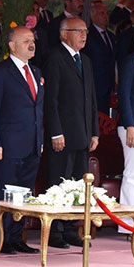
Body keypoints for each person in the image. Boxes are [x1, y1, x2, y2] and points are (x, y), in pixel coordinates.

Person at [0, 27, 43, 255]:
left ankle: (17, 237)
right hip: (8, 145)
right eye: (25, 40)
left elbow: (38, 110)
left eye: (32, 40)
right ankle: (2, 239)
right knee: (6, 193)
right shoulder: (1, 72)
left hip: (32, 144)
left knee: (25, 194)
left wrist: (40, 139)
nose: (31, 44)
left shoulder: (36, 71)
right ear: (12, 46)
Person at [43, 17, 99, 248]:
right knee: (58, 181)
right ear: (64, 34)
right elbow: (51, 100)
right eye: (78, 31)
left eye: (85, 31)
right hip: (63, 136)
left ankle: (70, 228)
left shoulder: (85, 60)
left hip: (82, 134)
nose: (84, 35)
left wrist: (94, 132)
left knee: (77, 183)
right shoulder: (55, 58)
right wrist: (56, 132)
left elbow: (91, 99)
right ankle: (54, 231)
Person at [117, 26, 134, 240]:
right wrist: (130, 125)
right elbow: (123, 95)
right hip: (133, 124)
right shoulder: (131, 61)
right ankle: (129, 225)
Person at [83, 2, 116, 113]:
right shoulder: (88, 36)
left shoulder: (111, 36)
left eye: (107, 13)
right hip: (94, 85)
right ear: (92, 16)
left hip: (109, 85)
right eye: (102, 13)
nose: (106, 16)